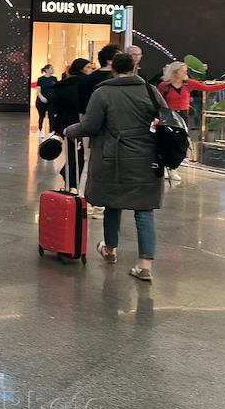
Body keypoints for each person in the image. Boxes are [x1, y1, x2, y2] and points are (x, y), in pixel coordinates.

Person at [65, 53, 164, 281]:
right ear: (134, 67)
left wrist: (69, 131)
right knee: (144, 210)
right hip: (147, 160)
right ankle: (144, 265)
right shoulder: (151, 91)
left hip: (113, 159)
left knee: (112, 203)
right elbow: (165, 120)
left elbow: (90, 126)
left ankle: (110, 250)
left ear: (113, 69)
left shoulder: (103, 93)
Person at [47, 58, 92, 189]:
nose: (90, 70)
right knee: (79, 153)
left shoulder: (64, 84)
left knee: (73, 152)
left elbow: (58, 105)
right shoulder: (84, 82)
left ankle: (70, 177)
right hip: (77, 121)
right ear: (81, 68)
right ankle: (72, 179)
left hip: (65, 122)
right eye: (88, 67)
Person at [78, 44, 120, 113]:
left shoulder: (90, 78)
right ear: (109, 61)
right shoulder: (119, 77)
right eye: (119, 57)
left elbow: (84, 103)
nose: (122, 59)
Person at [35, 64, 57, 134]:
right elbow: (38, 91)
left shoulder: (54, 79)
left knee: (51, 116)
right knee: (42, 116)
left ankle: (51, 131)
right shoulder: (40, 79)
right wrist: (41, 97)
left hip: (51, 101)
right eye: (51, 68)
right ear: (47, 70)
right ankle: (40, 130)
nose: (53, 70)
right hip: (42, 101)